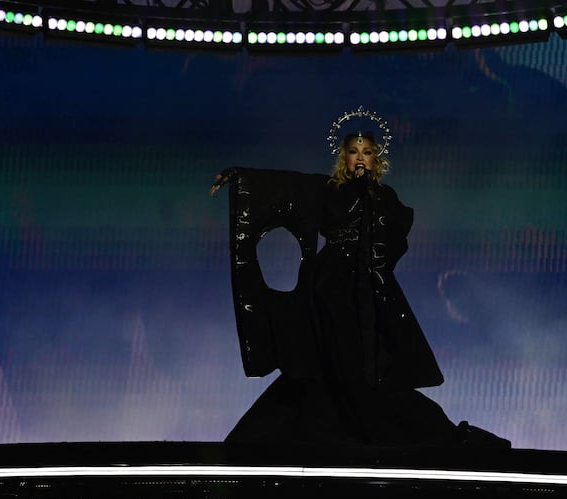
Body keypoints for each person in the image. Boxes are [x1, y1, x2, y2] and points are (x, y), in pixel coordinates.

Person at [210, 124, 510, 450]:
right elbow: (287, 188)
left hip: (366, 291)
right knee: (333, 366)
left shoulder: (385, 199)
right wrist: (240, 178)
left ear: (376, 157)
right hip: (329, 288)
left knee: (363, 374)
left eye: (367, 151)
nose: (360, 158)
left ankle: (432, 437)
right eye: (354, 151)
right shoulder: (328, 190)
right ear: (345, 157)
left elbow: (394, 242)